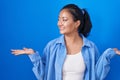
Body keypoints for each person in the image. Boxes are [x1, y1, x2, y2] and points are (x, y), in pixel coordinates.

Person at [11, 4, 120, 80]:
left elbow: (96, 76)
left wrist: (108, 54)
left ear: (77, 23)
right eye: (58, 19)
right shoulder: (52, 46)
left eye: (64, 20)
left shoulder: (90, 48)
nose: (59, 23)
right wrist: (33, 55)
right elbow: (44, 76)